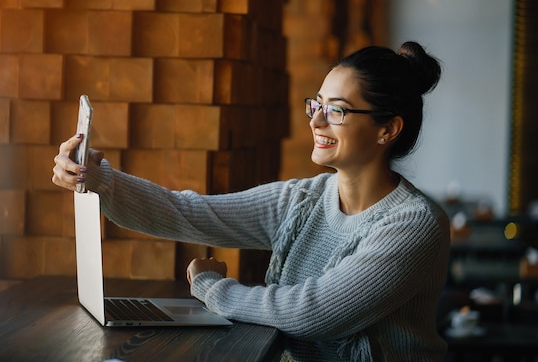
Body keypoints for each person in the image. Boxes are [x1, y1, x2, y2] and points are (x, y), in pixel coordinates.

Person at [52, 41, 450, 362]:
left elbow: (313, 311)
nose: (315, 121)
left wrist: (212, 288)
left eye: (337, 111)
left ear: (388, 129)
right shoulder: (304, 199)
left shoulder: (413, 225)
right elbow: (189, 213)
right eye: (317, 105)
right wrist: (98, 179)